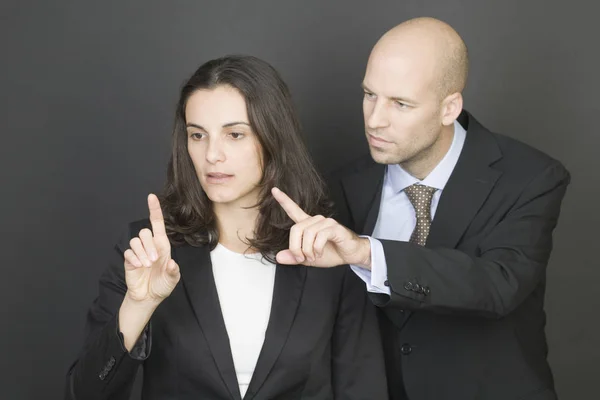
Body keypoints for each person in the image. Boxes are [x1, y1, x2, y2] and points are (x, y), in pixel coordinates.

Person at [271, 17, 570, 400]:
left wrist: (367, 252)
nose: (375, 120)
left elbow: (498, 284)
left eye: (400, 103)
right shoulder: (341, 185)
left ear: (449, 107)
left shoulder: (531, 177)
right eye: (369, 94)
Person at [65, 55, 388, 400]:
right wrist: (137, 307)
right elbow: (82, 394)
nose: (212, 155)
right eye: (197, 135)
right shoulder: (146, 250)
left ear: (273, 137)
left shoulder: (329, 252)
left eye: (234, 134)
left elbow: (363, 388)